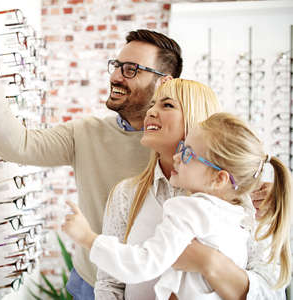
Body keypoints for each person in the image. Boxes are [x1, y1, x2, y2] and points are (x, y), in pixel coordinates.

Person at [0, 26, 275, 299]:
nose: (115, 76)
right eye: (116, 65)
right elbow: (19, 145)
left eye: (131, 69)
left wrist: (211, 262)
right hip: (94, 280)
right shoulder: (89, 138)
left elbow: (268, 284)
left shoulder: (220, 168)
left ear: (165, 82)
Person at [62, 111, 292, 299]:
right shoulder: (235, 214)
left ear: (219, 179)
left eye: (188, 152)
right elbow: (110, 285)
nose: (178, 156)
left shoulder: (188, 209)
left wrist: (87, 238)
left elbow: (143, 263)